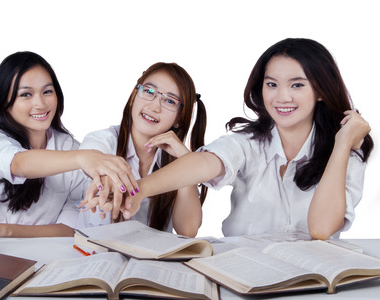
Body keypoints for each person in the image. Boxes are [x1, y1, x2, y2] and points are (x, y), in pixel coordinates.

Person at [87, 38, 374, 240]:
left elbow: (322, 229)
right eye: (271, 84)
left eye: (297, 85)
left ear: (321, 90)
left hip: (312, 281)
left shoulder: (346, 152)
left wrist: (342, 143)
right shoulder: (248, 142)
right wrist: (138, 190)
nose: (282, 97)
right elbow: (205, 163)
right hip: (243, 276)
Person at [0, 51, 138, 238]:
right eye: (26, 94)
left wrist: (1, 231)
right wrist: (82, 158)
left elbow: (68, 228)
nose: (40, 104)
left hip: (44, 258)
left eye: (47, 91)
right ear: (5, 102)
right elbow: (19, 164)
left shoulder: (69, 148)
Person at [78, 62, 207, 237]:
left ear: (179, 118)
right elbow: (90, 158)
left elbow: (188, 230)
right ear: (133, 97)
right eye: (149, 92)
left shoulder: (175, 158)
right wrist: (107, 177)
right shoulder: (104, 139)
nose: (155, 107)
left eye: (169, 101)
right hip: (95, 257)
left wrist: (186, 161)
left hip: (152, 262)